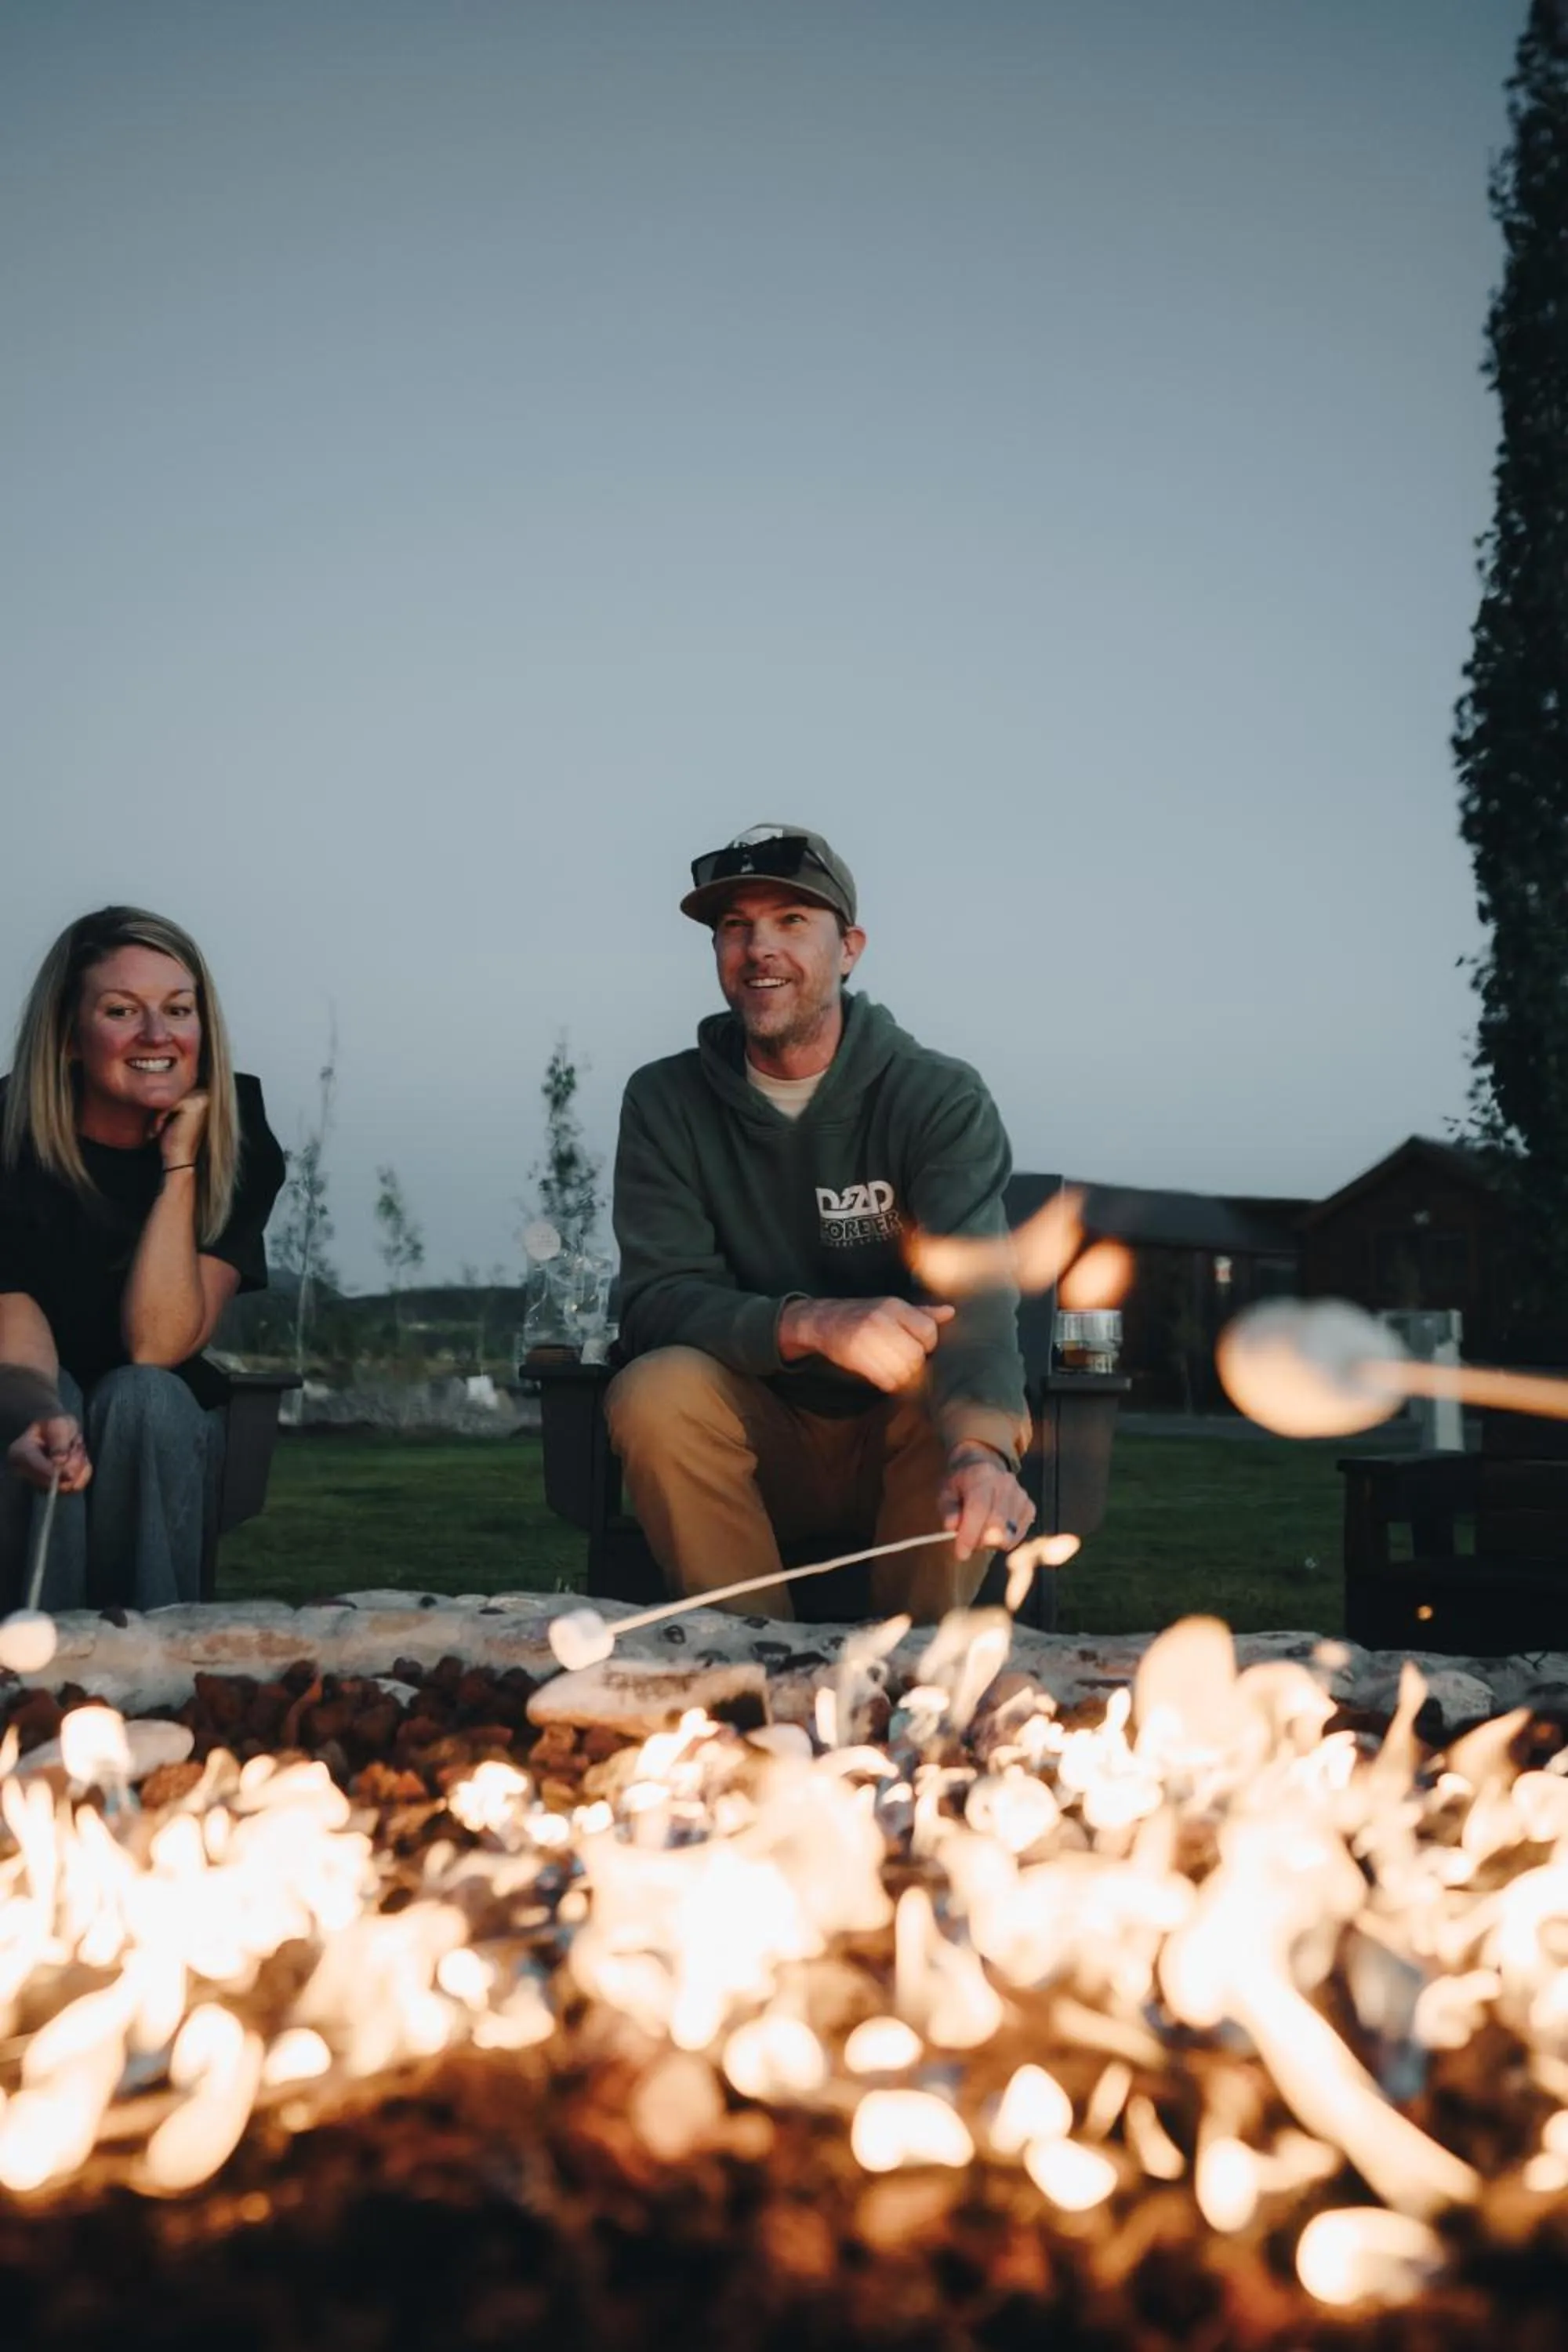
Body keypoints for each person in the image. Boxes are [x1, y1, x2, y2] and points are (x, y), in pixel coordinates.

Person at [607, 822, 1034, 1621]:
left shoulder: (935, 1098)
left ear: (849, 950)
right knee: (654, 1389)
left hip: (900, 1442)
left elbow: (975, 1305)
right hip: (751, 1434)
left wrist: (982, 1452)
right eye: (735, 926)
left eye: (792, 921)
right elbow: (656, 1300)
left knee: (952, 1414)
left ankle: (912, 1675)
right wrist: (808, 1323)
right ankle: (746, 1669)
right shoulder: (665, 1102)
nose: (759, 948)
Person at [0, 906, 285, 1611]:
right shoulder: (9, 1139)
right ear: (68, 1036)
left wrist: (179, 1166)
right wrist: (41, 1415)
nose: (157, 1036)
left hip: (162, 1424)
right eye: (122, 1010)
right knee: (58, 1404)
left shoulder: (235, 1132)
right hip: (21, 1389)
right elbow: (16, 1344)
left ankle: (157, 1658)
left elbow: (156, 1345)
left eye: (178, 1010)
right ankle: (36, 1662)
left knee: (143, 1397)